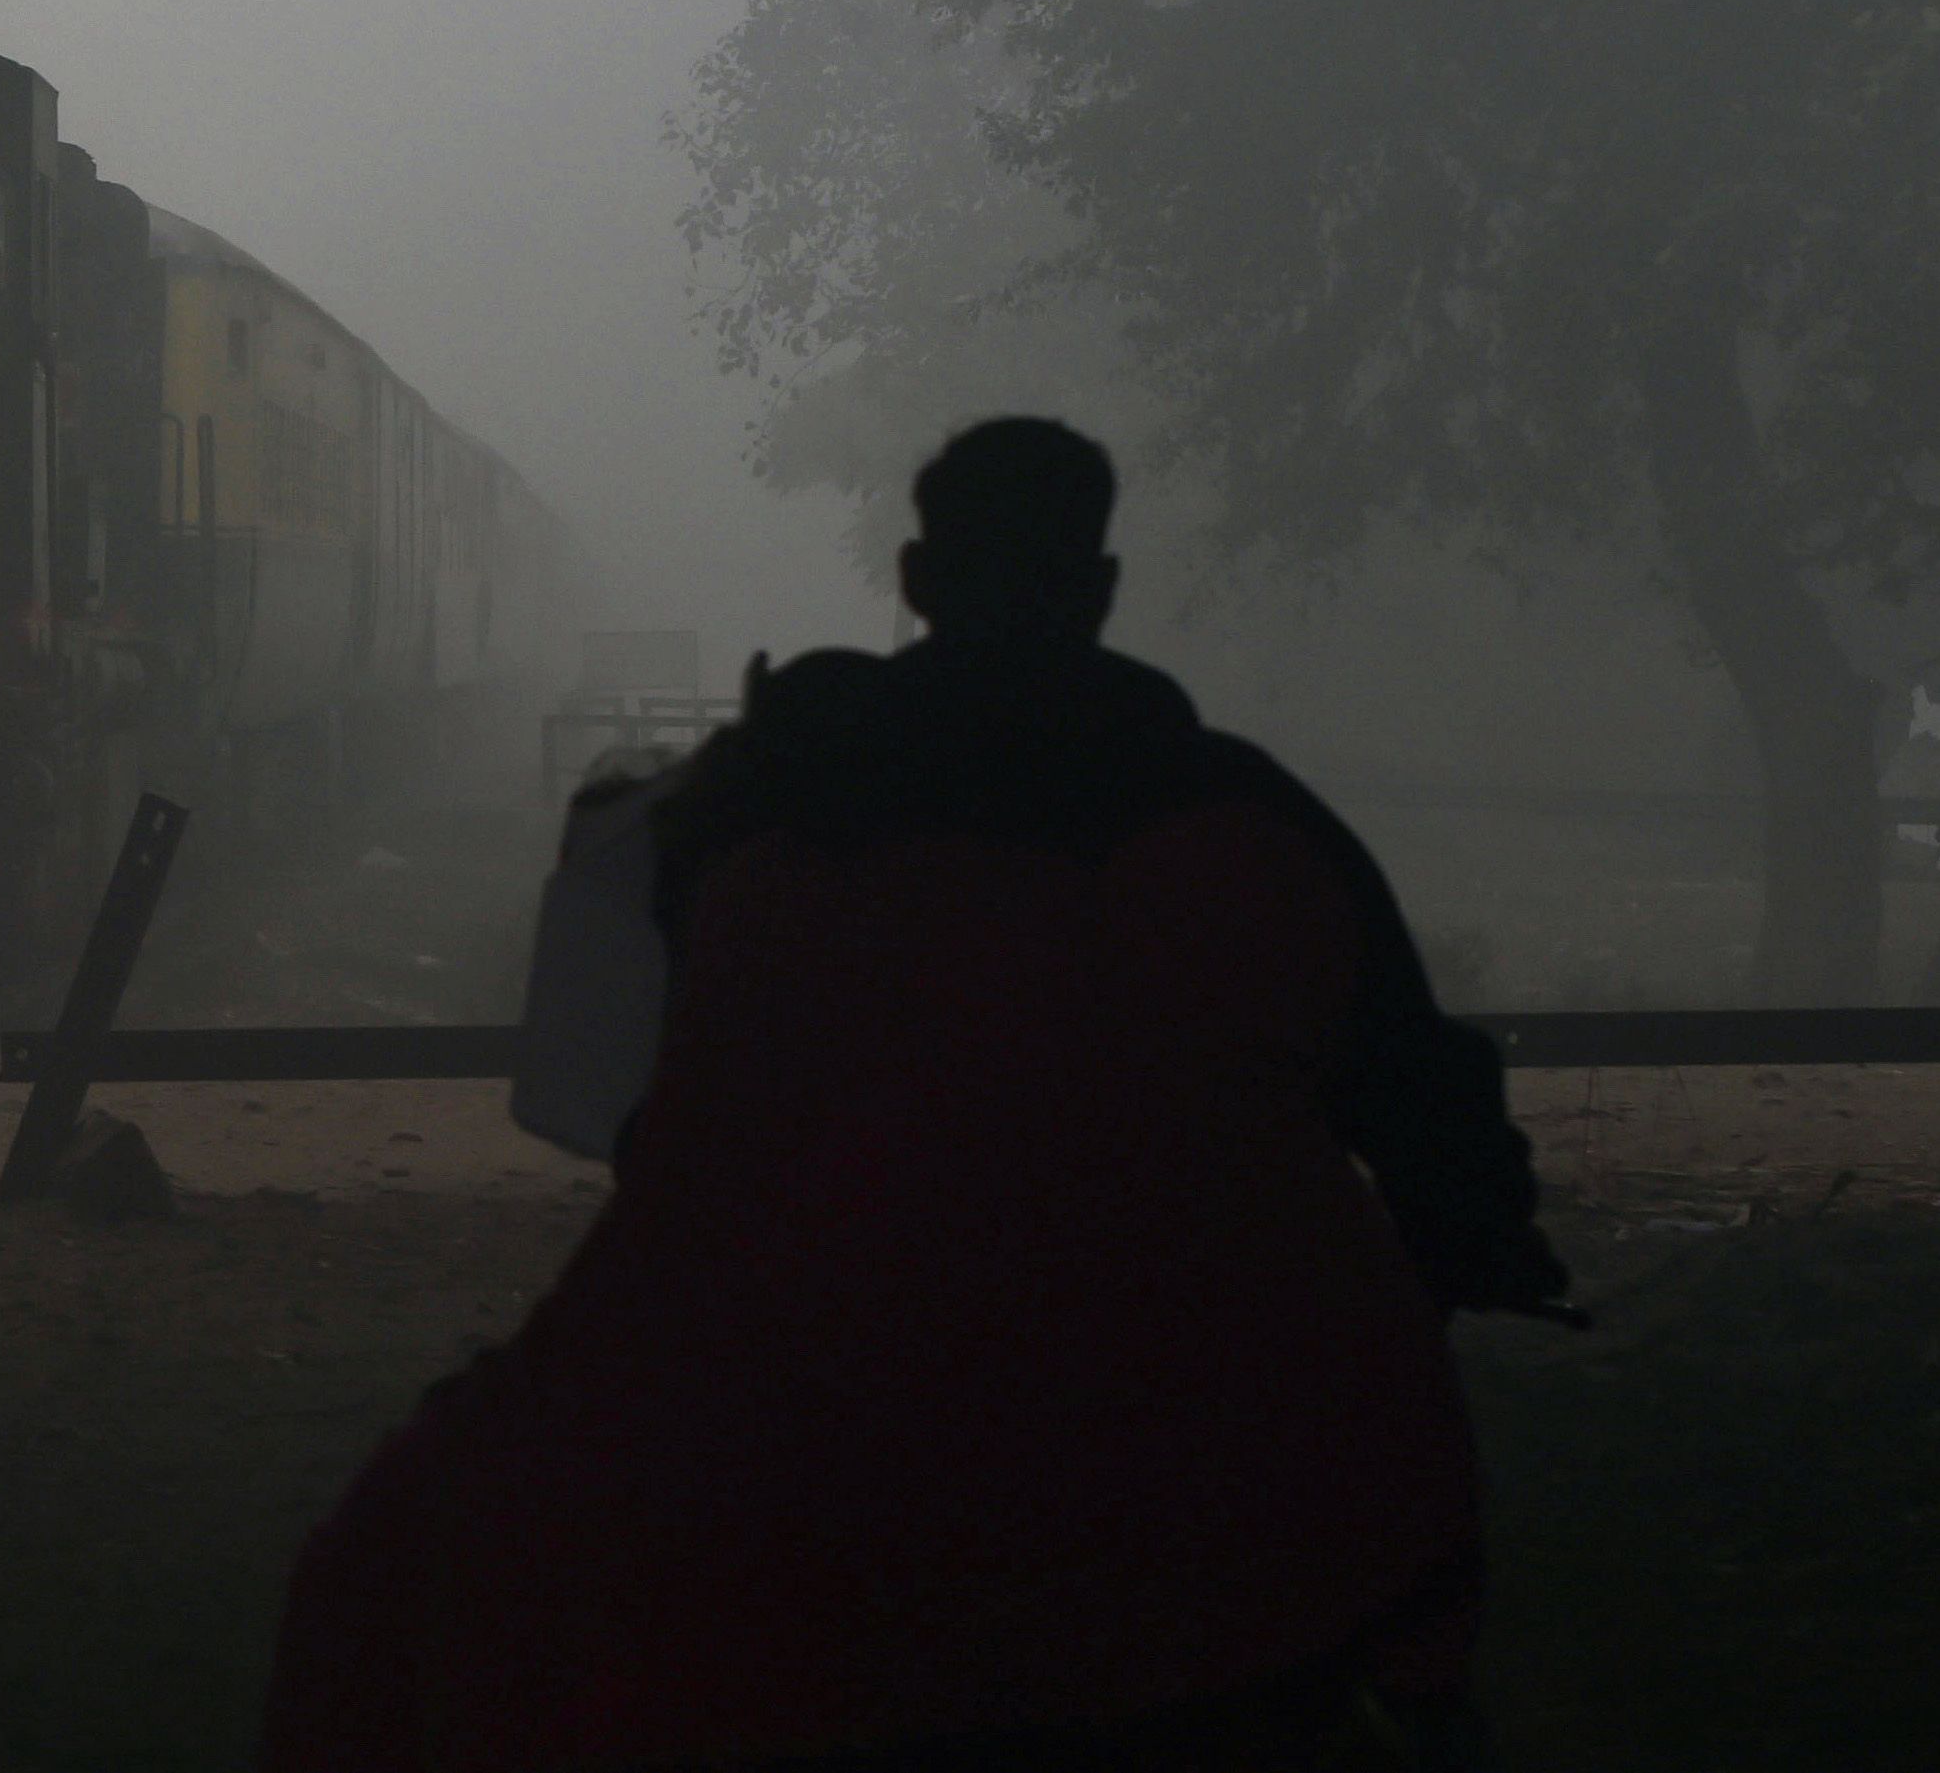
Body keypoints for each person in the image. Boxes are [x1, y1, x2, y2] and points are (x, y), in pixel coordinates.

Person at [263, 417, 1568, 1772]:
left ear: (915, 577)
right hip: (1238, 1530)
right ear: (1100, 586)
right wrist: (1478, 1244)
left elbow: (623, 1106)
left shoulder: (741, 815)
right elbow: (1433, 1118)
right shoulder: (1251, 816)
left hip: (784, 1493)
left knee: (390, 1579)